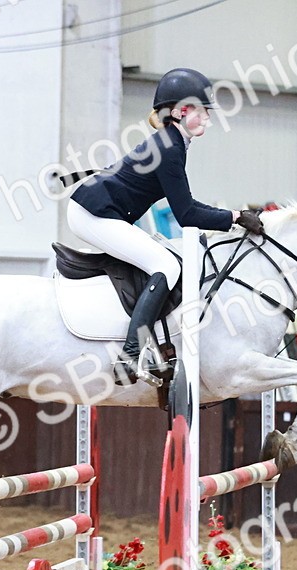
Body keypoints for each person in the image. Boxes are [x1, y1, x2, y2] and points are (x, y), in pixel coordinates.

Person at [68, 67, 264, 385]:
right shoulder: (170, 148)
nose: (208, 120)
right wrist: (234, 217)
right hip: (93, 213)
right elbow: (187, 213)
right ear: (180, 112)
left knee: (161, 261)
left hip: (100, 210)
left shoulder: (173, 142)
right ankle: (130, 356)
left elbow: (188, 206)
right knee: (166, 265)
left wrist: (232, 216)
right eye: (202, 112)